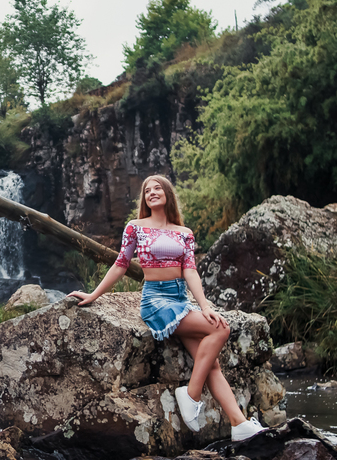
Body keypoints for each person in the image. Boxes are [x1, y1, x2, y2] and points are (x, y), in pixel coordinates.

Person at [67, 175, 265, 442]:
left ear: (168, 194)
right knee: (221, 329)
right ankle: (191, 395)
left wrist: (204, 306)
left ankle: (238, 423)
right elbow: (121, 264)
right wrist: (94, 294)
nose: (152, 192)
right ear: (144, 199)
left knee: (212, 364)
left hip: (180, 300)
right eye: (147, 190)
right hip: (156, 301)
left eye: (157, 188)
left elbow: (191, 272)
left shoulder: (184, 233)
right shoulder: (135, 227)